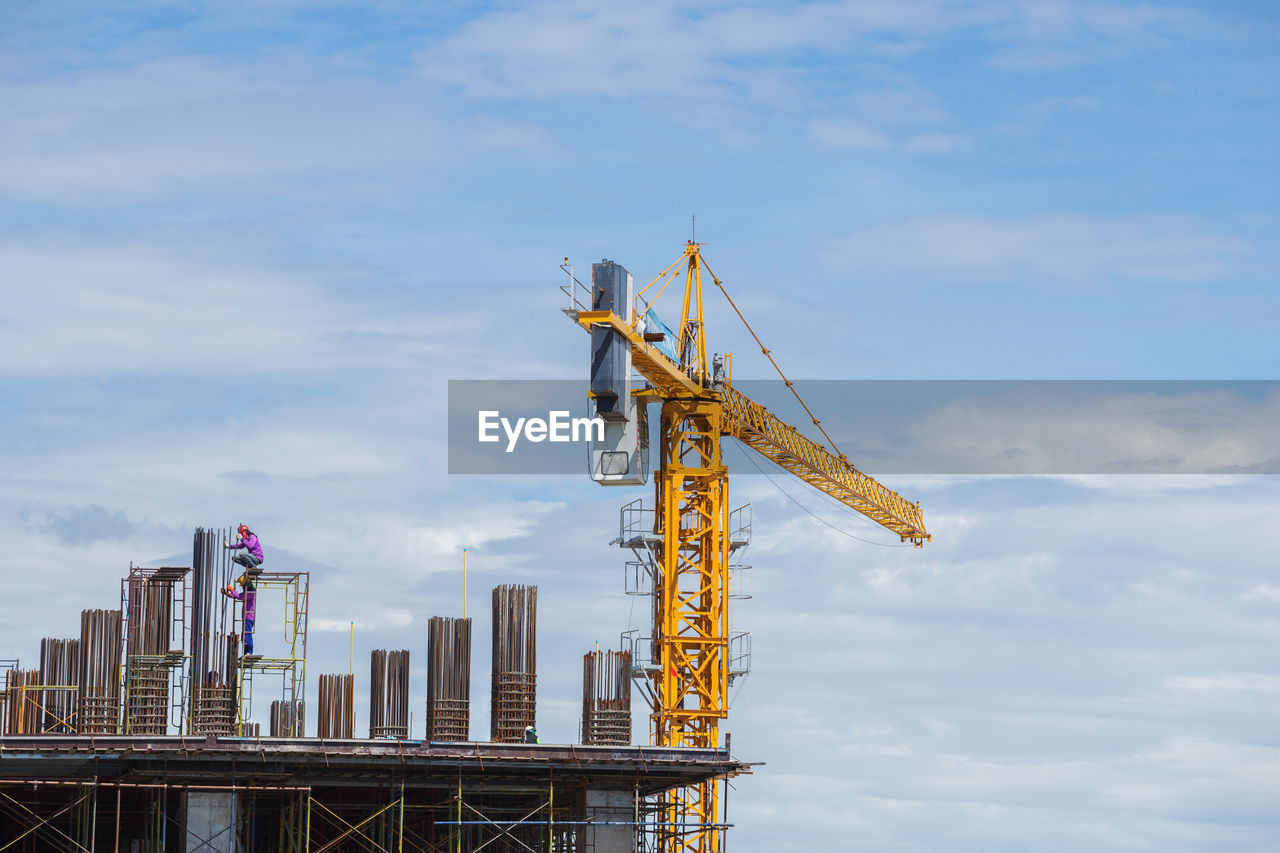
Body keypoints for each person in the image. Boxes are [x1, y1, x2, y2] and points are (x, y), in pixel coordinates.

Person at [221, 573, 258, 656]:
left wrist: (231, 589)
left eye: (243, 586)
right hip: (246, 617)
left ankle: (249, 651)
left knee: (247, 634)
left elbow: (238, 596)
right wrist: (226, 593)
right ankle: (245, 652)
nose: (243, 588)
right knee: (244, 635)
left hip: (249, 617)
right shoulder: (248, 592)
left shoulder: (251, 593)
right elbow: (237, 596)